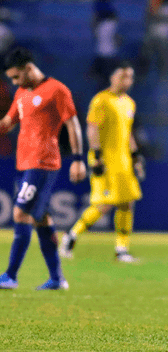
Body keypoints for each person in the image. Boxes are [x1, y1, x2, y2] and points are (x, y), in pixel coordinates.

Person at [0, 47, 86, 290]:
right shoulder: (21, 94)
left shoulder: (56, 90)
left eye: (16, 76)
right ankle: (57, 278)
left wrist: (79, 159)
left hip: (43, 162)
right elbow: (7, 122)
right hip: (25, 162)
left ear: (28, 68)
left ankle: (10, 276)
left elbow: (73, 125)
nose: (14, 82)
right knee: (41, 218)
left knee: (20, 213)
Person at [59, 62, 144, 263]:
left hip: (123, 161)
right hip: (105, 160)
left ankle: (122, 249)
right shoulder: (101, 100)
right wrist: (96, 156)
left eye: (130, 77)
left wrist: (136, 156)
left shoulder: (129, 103)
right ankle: (71, 236)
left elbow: (128, 132)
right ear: (113, 78)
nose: (127, 81)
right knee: (103, 205)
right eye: (123, 76)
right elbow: (92, 128)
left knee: (127, 204)